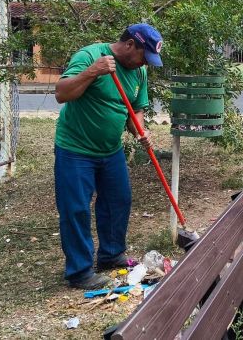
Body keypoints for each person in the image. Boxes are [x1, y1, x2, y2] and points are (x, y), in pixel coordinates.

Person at [53, 23, 163, 289]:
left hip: (111, 151)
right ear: (130, 45)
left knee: (118, 200)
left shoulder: (139, 72)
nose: (144, 64)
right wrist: (93, 72)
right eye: (144, 57)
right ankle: (80, 272)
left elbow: (135, 108)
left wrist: (141, 131)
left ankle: (111, 255)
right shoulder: (90, 56)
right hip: (75, 150)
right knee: (76, 209)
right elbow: (62, 93)